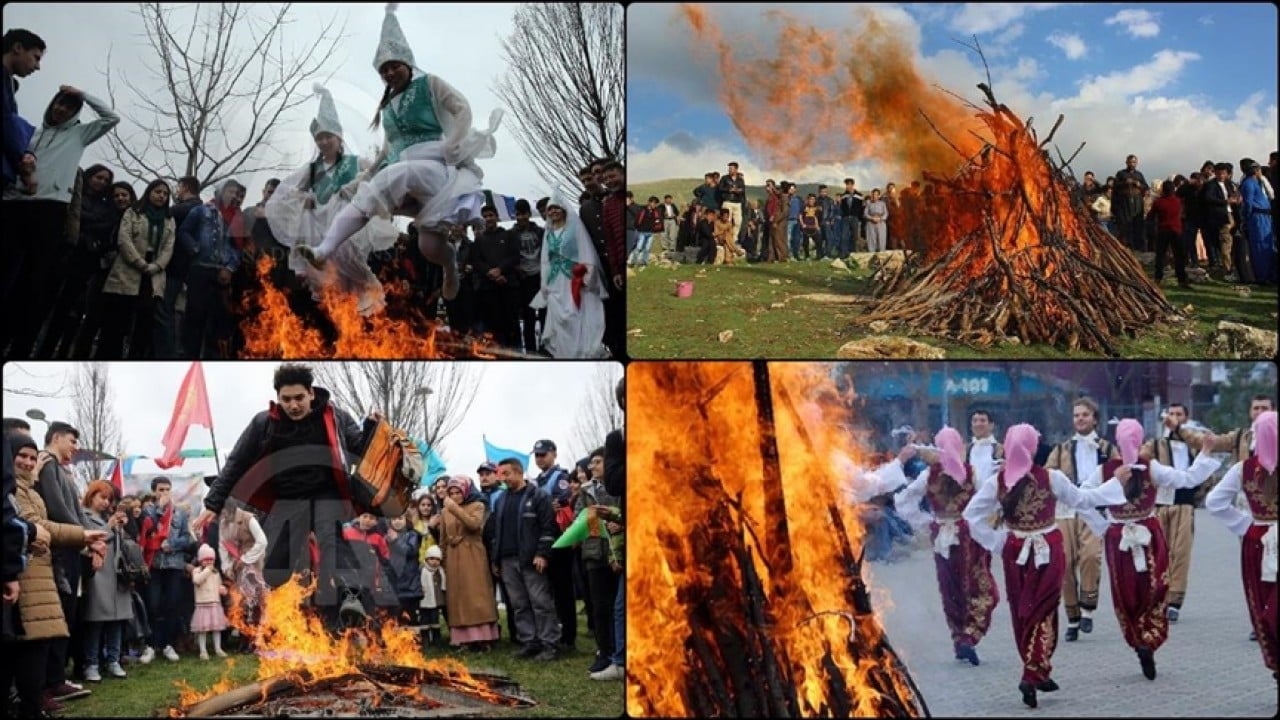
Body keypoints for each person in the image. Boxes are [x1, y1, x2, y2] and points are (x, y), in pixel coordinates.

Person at [296, 4, 502, 305]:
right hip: (403, 174)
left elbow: (462, 109)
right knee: (427, 245)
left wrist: (454, 144)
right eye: (384, 70)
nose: (389, 73)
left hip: (436, 167)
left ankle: (447, 267)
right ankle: (324, 251)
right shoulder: (388, 106)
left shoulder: (430, 83)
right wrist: (365, 176)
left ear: (407, 61)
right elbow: (387, 149)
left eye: (394, 66)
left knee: (400, 175)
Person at [192, 363, 385, 630]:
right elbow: (236, 463)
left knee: (331, 543)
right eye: (286, 399)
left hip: (325, 493)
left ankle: (350, 598)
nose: (293, 405)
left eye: (299, 398)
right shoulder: (264, 423)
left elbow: (359, 448)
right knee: (274, 571)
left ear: (311, 393)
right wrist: (213, 503)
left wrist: (372, 428)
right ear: (278, 398)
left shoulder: (335, 417)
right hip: (288, 499)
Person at [963, 424, 1126, 708]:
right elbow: (1082, 499)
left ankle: (1037, 668)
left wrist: (998, 541)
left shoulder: (997, 481)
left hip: (1015, 551)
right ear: (1033, 447)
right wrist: (1116, 484)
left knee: (1024, 611)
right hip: (1048, 548)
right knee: (1043, 609)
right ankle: (1033, 671)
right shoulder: (1052, 477)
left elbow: (971, 515)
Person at [1077, 419, 1220, 680]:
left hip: (1118, 536)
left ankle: (1138, 639)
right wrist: (1205, 453)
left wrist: (1101, 524)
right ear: (1141, 440)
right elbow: (1187, 479)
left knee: (1125, 593)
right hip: (1148, 533)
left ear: (1117, 441)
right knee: (1156, 588)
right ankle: (1149, 639)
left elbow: (1081, 499)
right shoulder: (1150, 467)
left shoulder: (1105, 470)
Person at [266, 84, 400, 316]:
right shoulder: (311, 170)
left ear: (339, 138)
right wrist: (304, 198)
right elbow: (287, 193)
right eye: (319, 138)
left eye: (328, 136)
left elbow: (377, 174)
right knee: (331, 291)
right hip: (317, 230)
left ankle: (368, 295)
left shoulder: (355, 163)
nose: (324, 142)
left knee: (351, 266)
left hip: (349, 230)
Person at [6, 82, 118, 359]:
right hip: (17, 203)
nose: (61, 109)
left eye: (69, 107)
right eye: (59, 103)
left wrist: (83, 95)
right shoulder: (32, 133)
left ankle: (22, 348)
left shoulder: (79, 135)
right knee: (11, 278)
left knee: (36, 283)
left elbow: (111, 118)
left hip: (51, 209)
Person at [875, 430, 999, 666]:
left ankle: (959, 639)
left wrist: (927, 522)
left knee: (950, 588)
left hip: (942, 535)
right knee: (981, 588)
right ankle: (970, 636)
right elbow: (988, 502)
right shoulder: (972, 472)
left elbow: (905, 500)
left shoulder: (929, 475)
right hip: (968, 535)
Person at [7, 433, 106, 718]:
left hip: (41, 573)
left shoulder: (31, 490)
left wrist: (69, 537)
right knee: (30, 647)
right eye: (22, 456)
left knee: (41, 643)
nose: (28, 463)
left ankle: (36, 702)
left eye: (32, 457)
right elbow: (34, 526)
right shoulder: (13, 490)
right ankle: (31, 703)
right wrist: (81, 535)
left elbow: (42, 529)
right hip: (25, 576)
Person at [1205, 410, 1277, 682]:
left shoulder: (1243, 469)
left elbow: (1214, 502)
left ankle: (1275, 659)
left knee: (1263, 601)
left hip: (1258, 539)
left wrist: (1245, 524)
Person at [1043, 396, 1117, 642]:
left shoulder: (1107, 449)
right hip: (1066, 511)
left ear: (1095, 419)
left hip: (1094, 510)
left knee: (1091, 557)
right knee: (1064, 563)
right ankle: (1072, 616)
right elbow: (1047, 477)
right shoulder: (1061, 449)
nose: (1080, 419)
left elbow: (1118, 477)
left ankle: (1087, 609)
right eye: (1076, 415)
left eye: (1085, 415)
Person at [485, 458, 558, 661]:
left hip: (531, 560)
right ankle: (529, 642)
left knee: (541, 602)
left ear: (519, 472)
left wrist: (542, 554)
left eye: (506, 473)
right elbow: (496, 532)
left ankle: (549, 643)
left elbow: (548, 528)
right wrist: (496, 559)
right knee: (519, 604)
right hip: (507, 561)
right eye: (501, 474)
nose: (503, 478)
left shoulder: (538, 496)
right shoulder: (501, 500)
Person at [99, 178, 175, 359]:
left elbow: (169, 247)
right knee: (117, 322)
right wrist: (139, 263)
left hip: (153, 274)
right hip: (128, 269)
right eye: (158, 192)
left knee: (144, 323)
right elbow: (124, 239)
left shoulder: (169, 219)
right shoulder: (133, 212)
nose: (162, 196)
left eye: (165, 194)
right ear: (149, 192)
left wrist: (157, 265)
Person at [529, 192, 609, 358]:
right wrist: (545, 282)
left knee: (576, 313)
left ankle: (580, 350)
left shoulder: (575, 228)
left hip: (574, 278)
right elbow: (545, 259)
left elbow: (585, 249)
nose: (553, 212)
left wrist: (587, 274)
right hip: (556, 280)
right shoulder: (549, 232)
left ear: (563, 209)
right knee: (560, 318)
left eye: (556, 208)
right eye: (550, 209)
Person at [80, 480, 135, 681]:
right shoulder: (83, 515)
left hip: (116, 573)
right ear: (91, 495)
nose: (105, 502)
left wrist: (122, 527)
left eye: (108, 499)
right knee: (95, 621)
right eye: (102, 497)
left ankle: (114, 660)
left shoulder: (107, 517)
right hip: (98, 573)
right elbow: (92, 539)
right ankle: (92, 663)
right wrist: (110, 527)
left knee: (117, 620)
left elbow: (127, 543)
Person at [439, 475, 499, 651]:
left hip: (473, 555)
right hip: (453, 557)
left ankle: (483, 638)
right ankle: (463, 639)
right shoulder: (444, 512)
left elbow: (474, 525)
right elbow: (443, 538)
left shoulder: (478, 505)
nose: (455, 496)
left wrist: (454, 508)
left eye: (458, 492)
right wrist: (444, 560)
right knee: (458, 598)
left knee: (477, 595)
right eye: (451, 493)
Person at [138, 476, 194, 662]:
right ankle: (151, 645)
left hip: (174, 564)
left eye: (167, 489)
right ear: (154, 491)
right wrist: (159, 509)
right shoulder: (147, 511)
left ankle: (168, 644)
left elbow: (187, 538)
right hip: (154, 564)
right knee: (153, 605)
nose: (164, 493)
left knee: (172, 604)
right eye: (160, 490)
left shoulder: (180, 513)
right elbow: (146, 532)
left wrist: (173, 544)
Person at [578, 447, 621, 674]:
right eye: (591, 463)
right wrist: (596, 523)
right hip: (594, 553)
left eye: (597, 462)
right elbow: (579, 518)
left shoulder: (621, 486)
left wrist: (619, 523)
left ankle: (620, 652)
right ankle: (604, 652)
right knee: (599, 608)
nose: (592, 466)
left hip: (618, 553)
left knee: (618, 606)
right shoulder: (586, 490)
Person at [189, 545, 228, 660]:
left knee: (217, 628)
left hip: (215, 604)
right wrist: (207, 570)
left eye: (211, 559)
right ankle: (203, 650)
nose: (209, 562)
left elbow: (219, 584)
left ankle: (218, 648)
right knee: (203, 629)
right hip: (203, 604)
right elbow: (197, 580)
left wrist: (222, 589)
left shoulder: (216, 573)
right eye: (206, 559)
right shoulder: (197, 571)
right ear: (200, 560)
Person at [386, 511, 423, 629]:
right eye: (394, 519)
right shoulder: (387, 537)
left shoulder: (412, 535)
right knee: (394, 619)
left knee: (411, 618)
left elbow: (410, 552)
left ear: (406, 520)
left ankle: (415, 638)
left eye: (400, 518)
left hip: (410, 584)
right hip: (394, 584)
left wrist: (396, 541)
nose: (397, 521)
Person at [419, 545, 446, 648]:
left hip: (435, 600)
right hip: (424, 600)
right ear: (427, 559)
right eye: (432, 558)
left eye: (437, 559)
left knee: (435, 619)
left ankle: (436, 639)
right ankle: (425, 639)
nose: (434, 562)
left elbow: (443, 584)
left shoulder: (440, 571)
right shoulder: (422, 570)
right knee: (424, 620)